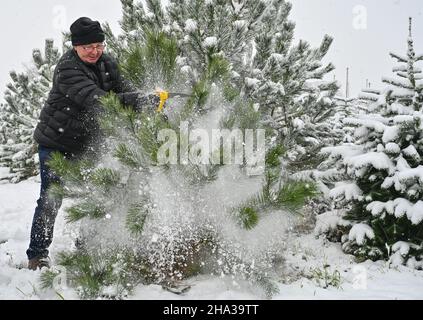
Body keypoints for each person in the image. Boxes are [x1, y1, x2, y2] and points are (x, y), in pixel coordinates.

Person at [27, 17, 166, 270]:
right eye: (88, 47)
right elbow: (97, 100)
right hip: (56, 143)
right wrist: (140, 101)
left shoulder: (108, 63)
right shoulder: (67, 69)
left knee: (101, 193)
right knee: (51, 198)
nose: (94, 51)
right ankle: (37, 255)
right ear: (75, 47)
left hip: (88, 143)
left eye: (99, 45)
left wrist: (151, 105)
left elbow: (126, 91)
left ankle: (86, 246)